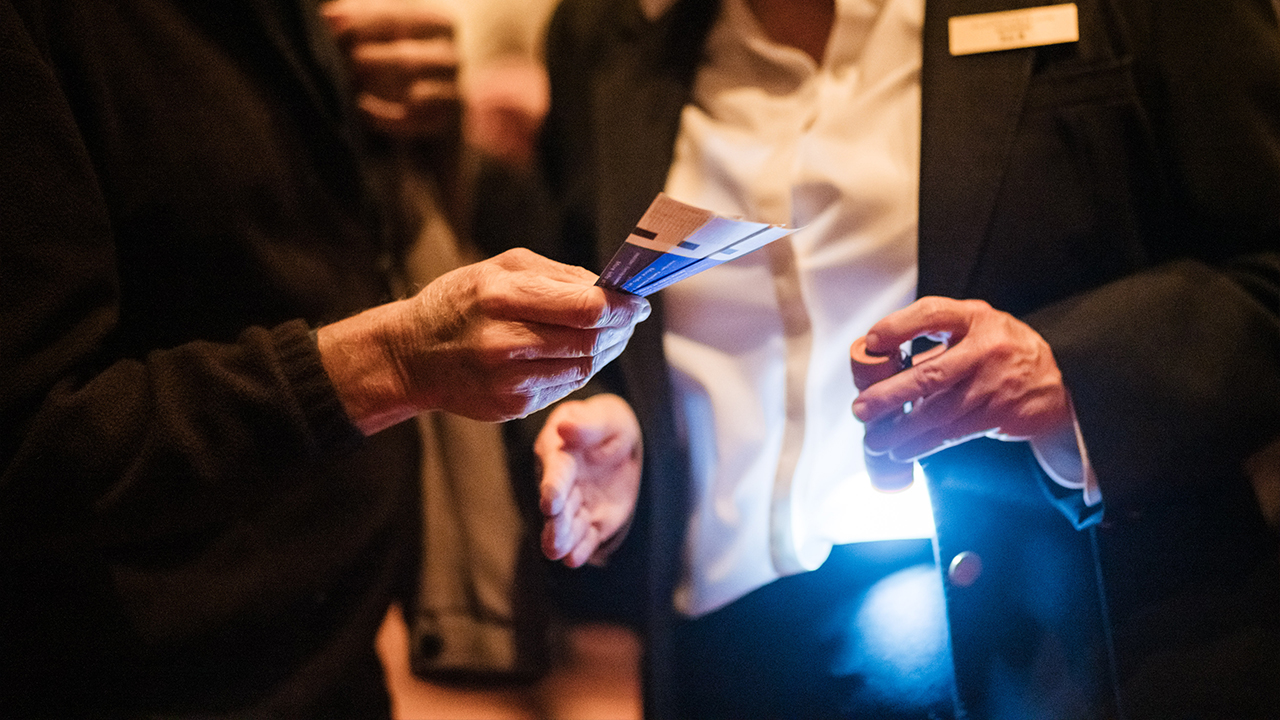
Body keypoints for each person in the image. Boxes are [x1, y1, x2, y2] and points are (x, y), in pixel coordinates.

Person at [507, 0, 1280, 718]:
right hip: (723, 660)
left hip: (1067, 646)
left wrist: (1069, 372)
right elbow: (593, 289)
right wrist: (614, 413)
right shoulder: (602, 30)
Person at [0, 1, 649, 718]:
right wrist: (393, 363)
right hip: (133, 684)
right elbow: (29, 438)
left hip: (335, 657)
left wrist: (427, 147)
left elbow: (249, 251)